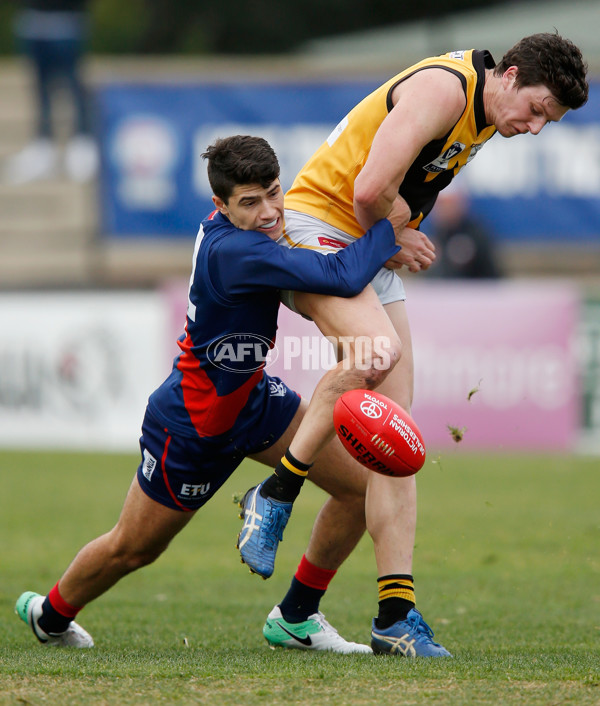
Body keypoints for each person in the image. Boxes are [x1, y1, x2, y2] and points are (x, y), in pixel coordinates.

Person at [237, 32, 588, 656]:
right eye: (536, 110)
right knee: (376, 351)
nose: (535, 127)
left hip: (369, 243)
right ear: (508, 75)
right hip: (322, 227)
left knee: (394, 441)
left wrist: (392, 237)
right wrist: (397, 237)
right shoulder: (446, 89)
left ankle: (374, 614)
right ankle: (276, 492)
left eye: (548, 123)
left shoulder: (484, 110)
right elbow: (369, 189)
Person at [15, 134, 404, 653]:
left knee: (360, 488)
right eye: (250, 202)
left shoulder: (246, 233)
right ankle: (52, 613)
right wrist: (395, 224)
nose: (269, 212)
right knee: (133, 549)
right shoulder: (236, 251)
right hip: (192, 426)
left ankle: (296, 615)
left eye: (274, 192)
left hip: (255, 400)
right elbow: (343, 272)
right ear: (219, 205)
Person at [3, 0, 98, 184]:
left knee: (73, 87)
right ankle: (43, 146)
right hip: (33, 21)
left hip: (67, 21)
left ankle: (81, 142)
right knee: (41, 90)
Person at [427, 179, 501, 279]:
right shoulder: (435, 235)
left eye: (448, 203)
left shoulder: (476, 234)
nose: (444, 209)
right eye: (440, 204)